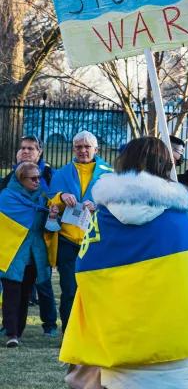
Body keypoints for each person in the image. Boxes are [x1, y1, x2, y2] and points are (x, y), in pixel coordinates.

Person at [59, 136, 188, 389]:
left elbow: (87, 275)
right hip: (172, 353)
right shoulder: (176, 219)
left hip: (119, 350)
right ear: (165, 167)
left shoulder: (103, 219)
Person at [48, 130, 112, 332]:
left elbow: (116, 203)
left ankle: (94, 331)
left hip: (95, 242)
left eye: (87, 147)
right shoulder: (62, 173)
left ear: (96, 149)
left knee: (95, 290)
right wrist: (61, 196)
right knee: (68, 290)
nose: (83, 150)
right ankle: (69, 333)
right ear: (73, 148)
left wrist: (99, 206)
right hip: (68, 240)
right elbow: (50, 200)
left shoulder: (109, 174)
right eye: (79, 146)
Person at [0, 135, 58, 337]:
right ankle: (12, 329)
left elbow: (51, 209)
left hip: (37, 247)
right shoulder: (10, 182)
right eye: (23, 148)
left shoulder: (48, 177)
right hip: (15, 248)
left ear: (39, 152)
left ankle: (49, 324)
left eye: (31, 148)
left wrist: (50, 215)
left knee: (43, 286)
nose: (26, 151)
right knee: (14, 290)